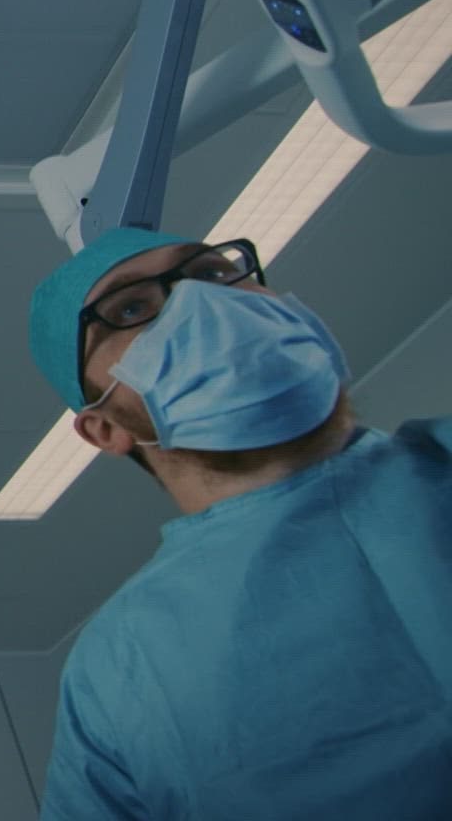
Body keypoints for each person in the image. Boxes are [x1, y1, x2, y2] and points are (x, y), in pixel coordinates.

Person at [26, 227, 452, 820]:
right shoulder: (120, 666)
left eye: (212, 273)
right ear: (105, 429)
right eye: (129, 309)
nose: (204, 303)